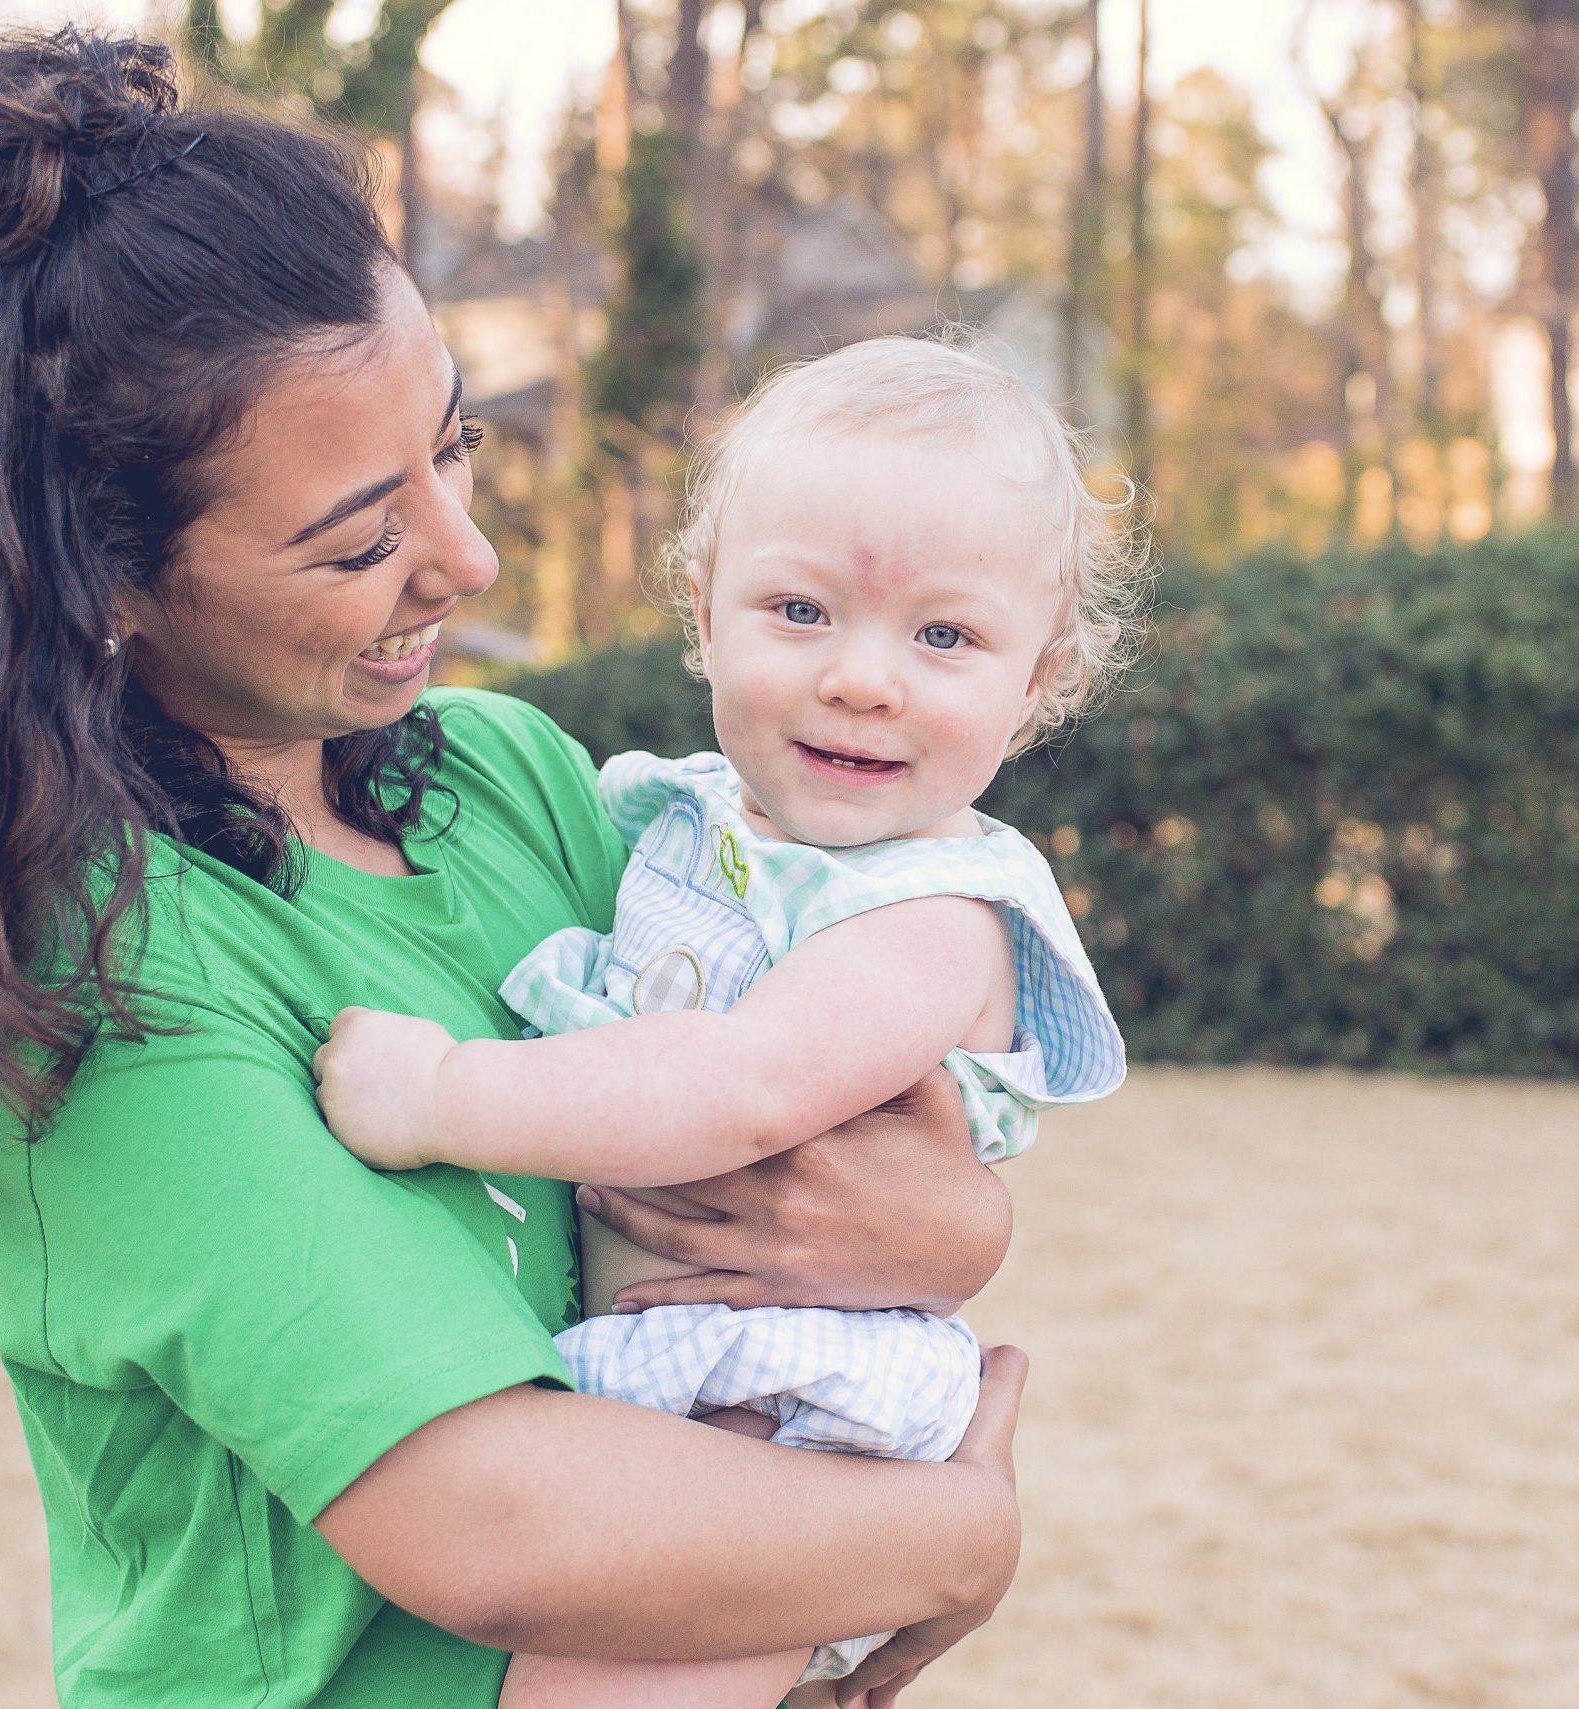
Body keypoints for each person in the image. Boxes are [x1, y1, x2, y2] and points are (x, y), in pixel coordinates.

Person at [0, 29, 1029, 1709]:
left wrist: (952, 1225)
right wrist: (956, 1532)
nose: (464, 556)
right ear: (106, 577)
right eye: (358, 535)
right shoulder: (103, 966)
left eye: (451, 449)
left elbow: (817, 1115)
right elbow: (496, 1529)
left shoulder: (512, 782)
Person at [314, 334, 1143, 1709]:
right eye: (801, 612)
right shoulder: (674, 816)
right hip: (676, 1376)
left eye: (944, 635)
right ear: (704, 613)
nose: (864, 677)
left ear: (1038, 680)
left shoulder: (937, 907)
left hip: (791, 1407)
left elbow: (747, 1087)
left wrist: (445, 1094)